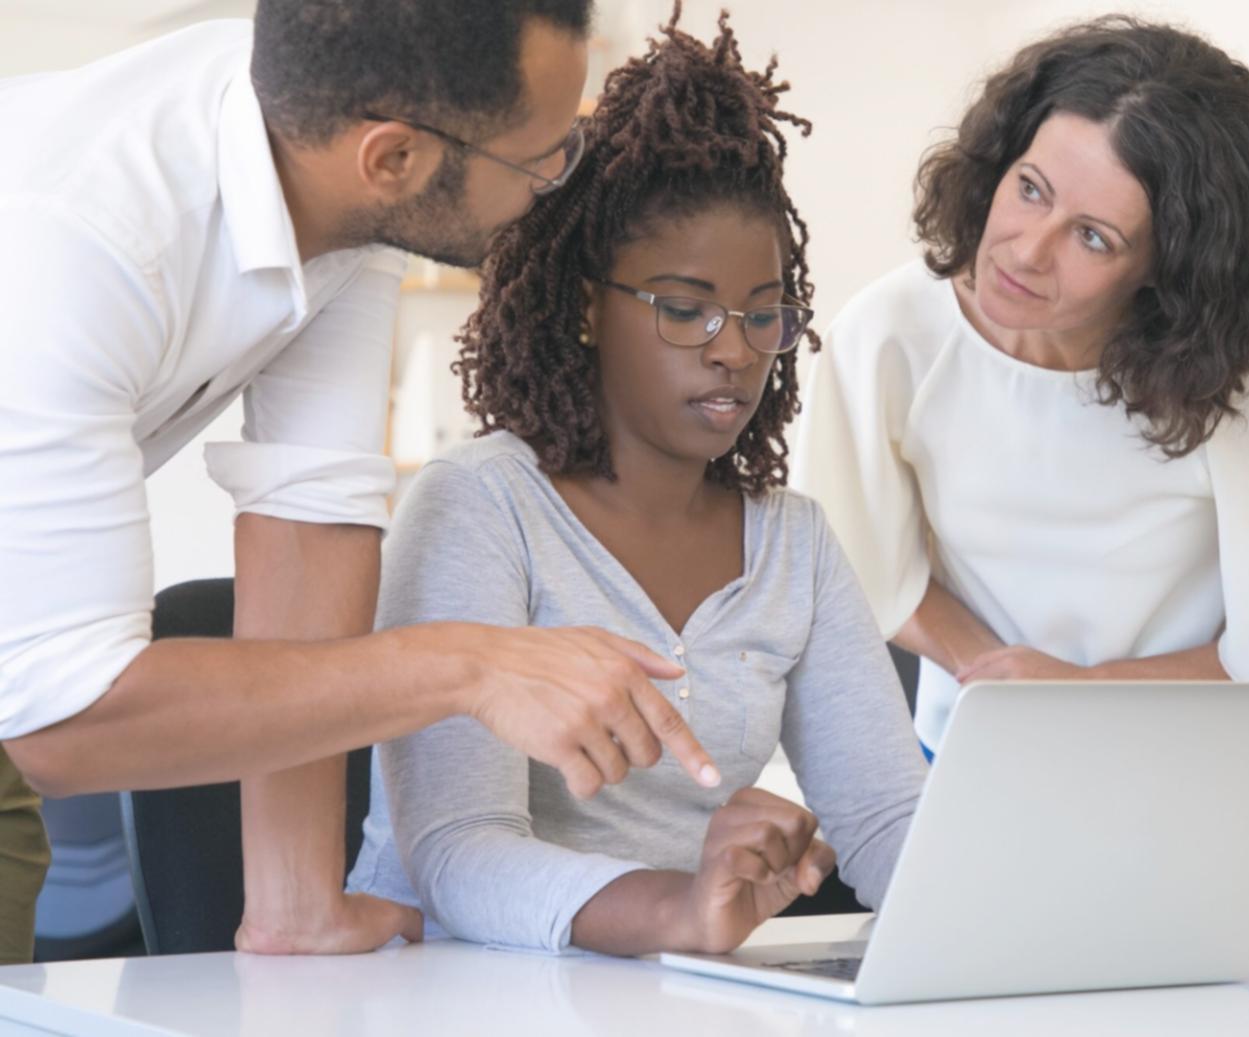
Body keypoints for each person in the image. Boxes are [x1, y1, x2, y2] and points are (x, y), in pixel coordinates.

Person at [0, 0, 720, 964]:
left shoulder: (330, 148)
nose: (559, 183)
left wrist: (298, 906)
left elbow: (309, 515)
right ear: (393, 158)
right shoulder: (75, 242)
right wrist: (469, 665)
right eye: (541, 156)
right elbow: (69, 722)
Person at [345, 7, 927, 956]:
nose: (734, 351)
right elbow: (455, 854)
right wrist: (676, 909)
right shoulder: (481, 505)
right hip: (450, 989)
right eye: (685, 310)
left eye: (764, 316)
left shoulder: (793, 542)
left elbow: (888, 815)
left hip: (674, 990)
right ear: (585, 307)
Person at [792, 16, 1249, 770]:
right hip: (975, 752)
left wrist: (1081, 690)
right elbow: (862, 568)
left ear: (1167, 267)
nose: (1026, 251)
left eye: (1093, 236)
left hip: (1205, 771)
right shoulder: (889, 333)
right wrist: (999, 678)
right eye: (1029, 189)